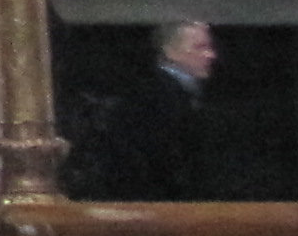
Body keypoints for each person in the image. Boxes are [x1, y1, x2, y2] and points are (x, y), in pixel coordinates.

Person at [77, 16, 216, 203]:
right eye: (199, 47)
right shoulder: (158, 98)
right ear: (170, 52)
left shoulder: (165, 93)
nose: (210, 55)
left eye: (209, 47)